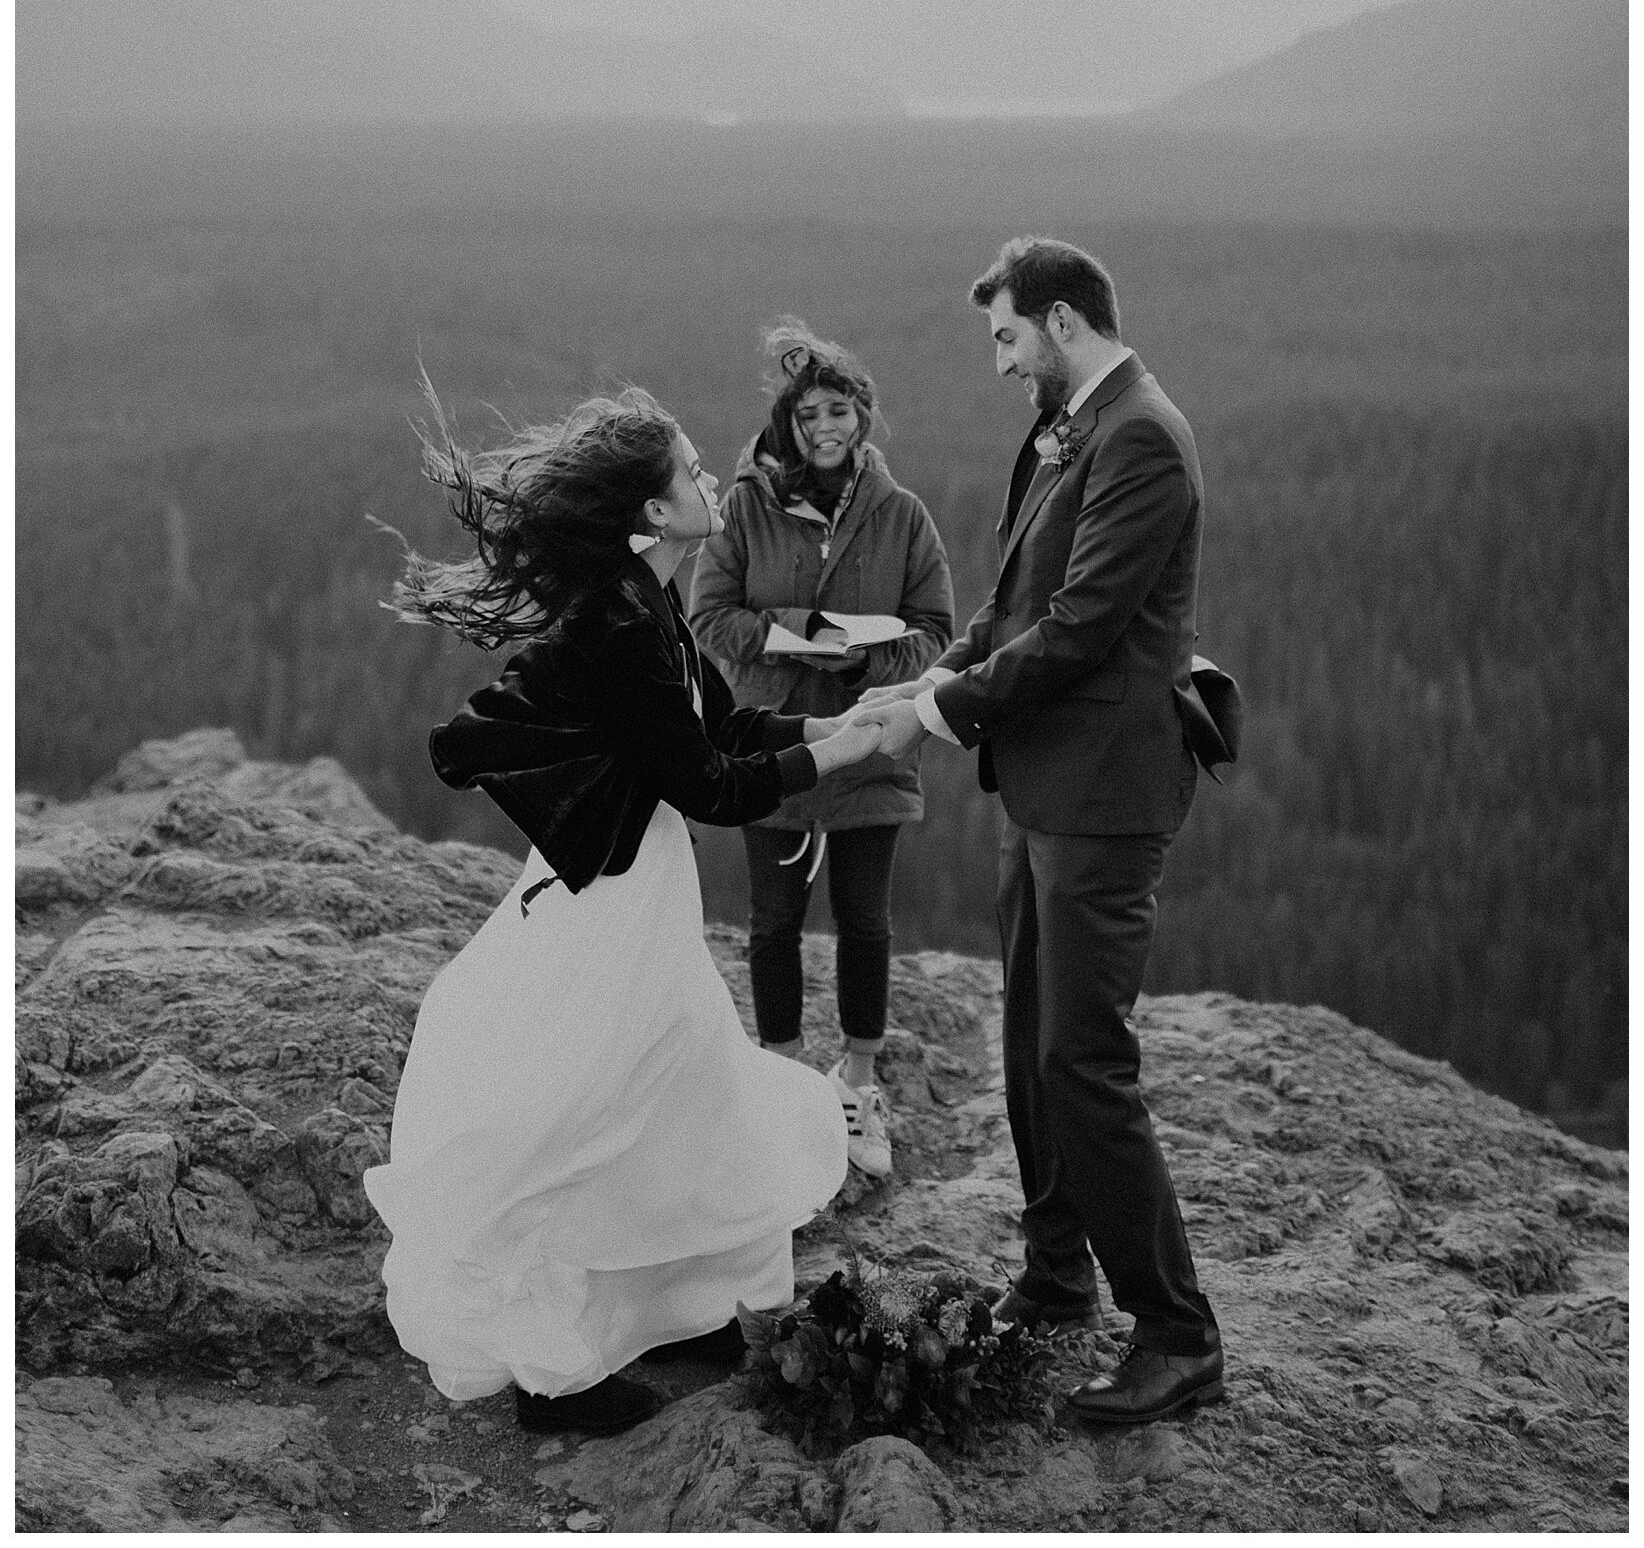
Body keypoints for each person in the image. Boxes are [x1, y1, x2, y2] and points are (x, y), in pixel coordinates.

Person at [362, 382, 884, 1438]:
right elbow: (708, 782)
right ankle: (555, 1373)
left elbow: (729, 721)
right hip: (610, 895)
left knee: (683, 1080)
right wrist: (849, 750)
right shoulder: (618, 622)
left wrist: (851, 710)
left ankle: (676, 1295)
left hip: (640, 883)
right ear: (652, 516)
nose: (710, 481)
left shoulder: (653, 606)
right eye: (690, 472)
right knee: (587, 1110)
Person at [855, 237, 1225, 1427]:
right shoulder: (1073, 427)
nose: (1005, 366)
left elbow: (1078, 627)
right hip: (1039, 789)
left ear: (1063, 322)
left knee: (1081, 1058)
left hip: (1107, 795)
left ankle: (1177, 1333)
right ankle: (1058, 1273)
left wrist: (935, 714)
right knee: (1027, 1042)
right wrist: (914, 685)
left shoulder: (1142, 437)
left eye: (1009, 339)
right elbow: (1014, 601)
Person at [689, 321, 953, 1180]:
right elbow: (709, 619)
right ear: (787, 423)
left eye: (840, 410)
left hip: (874, 742)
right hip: (778, 748)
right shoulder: (745, 509)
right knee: (773, 923)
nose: (827, 429)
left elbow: (940, 634)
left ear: (862, 415)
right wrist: (791, 636)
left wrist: (867, 656)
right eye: (809, 416)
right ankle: (783, 1081)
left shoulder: (903, 516)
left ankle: (859, 1088)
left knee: (866, 922)